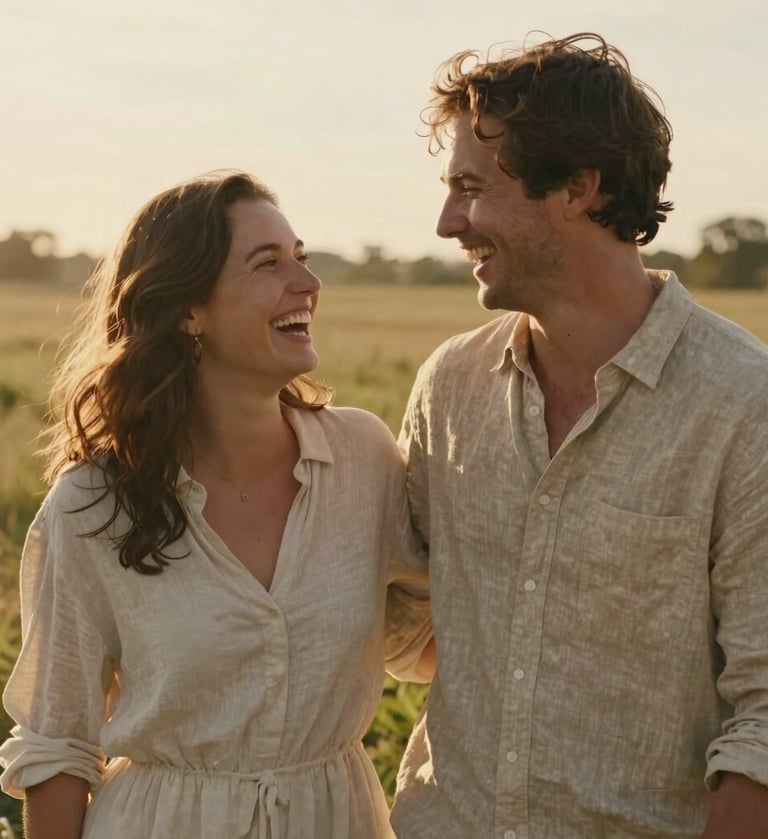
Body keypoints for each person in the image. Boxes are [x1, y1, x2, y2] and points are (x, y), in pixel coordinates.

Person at [391, 32, 768, 839]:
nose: (448, 222)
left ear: (577, 186)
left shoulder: (745, 404)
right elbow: (399, 618)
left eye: (471, 188)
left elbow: (765, 722)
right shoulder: (448, 386)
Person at [0, 171, 432, 839]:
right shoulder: (94, 503)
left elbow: (436, 638)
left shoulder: (363, 459)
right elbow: (57, 741)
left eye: (301, 257)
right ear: (187, 310)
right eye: (268, 263)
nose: (308, 282)